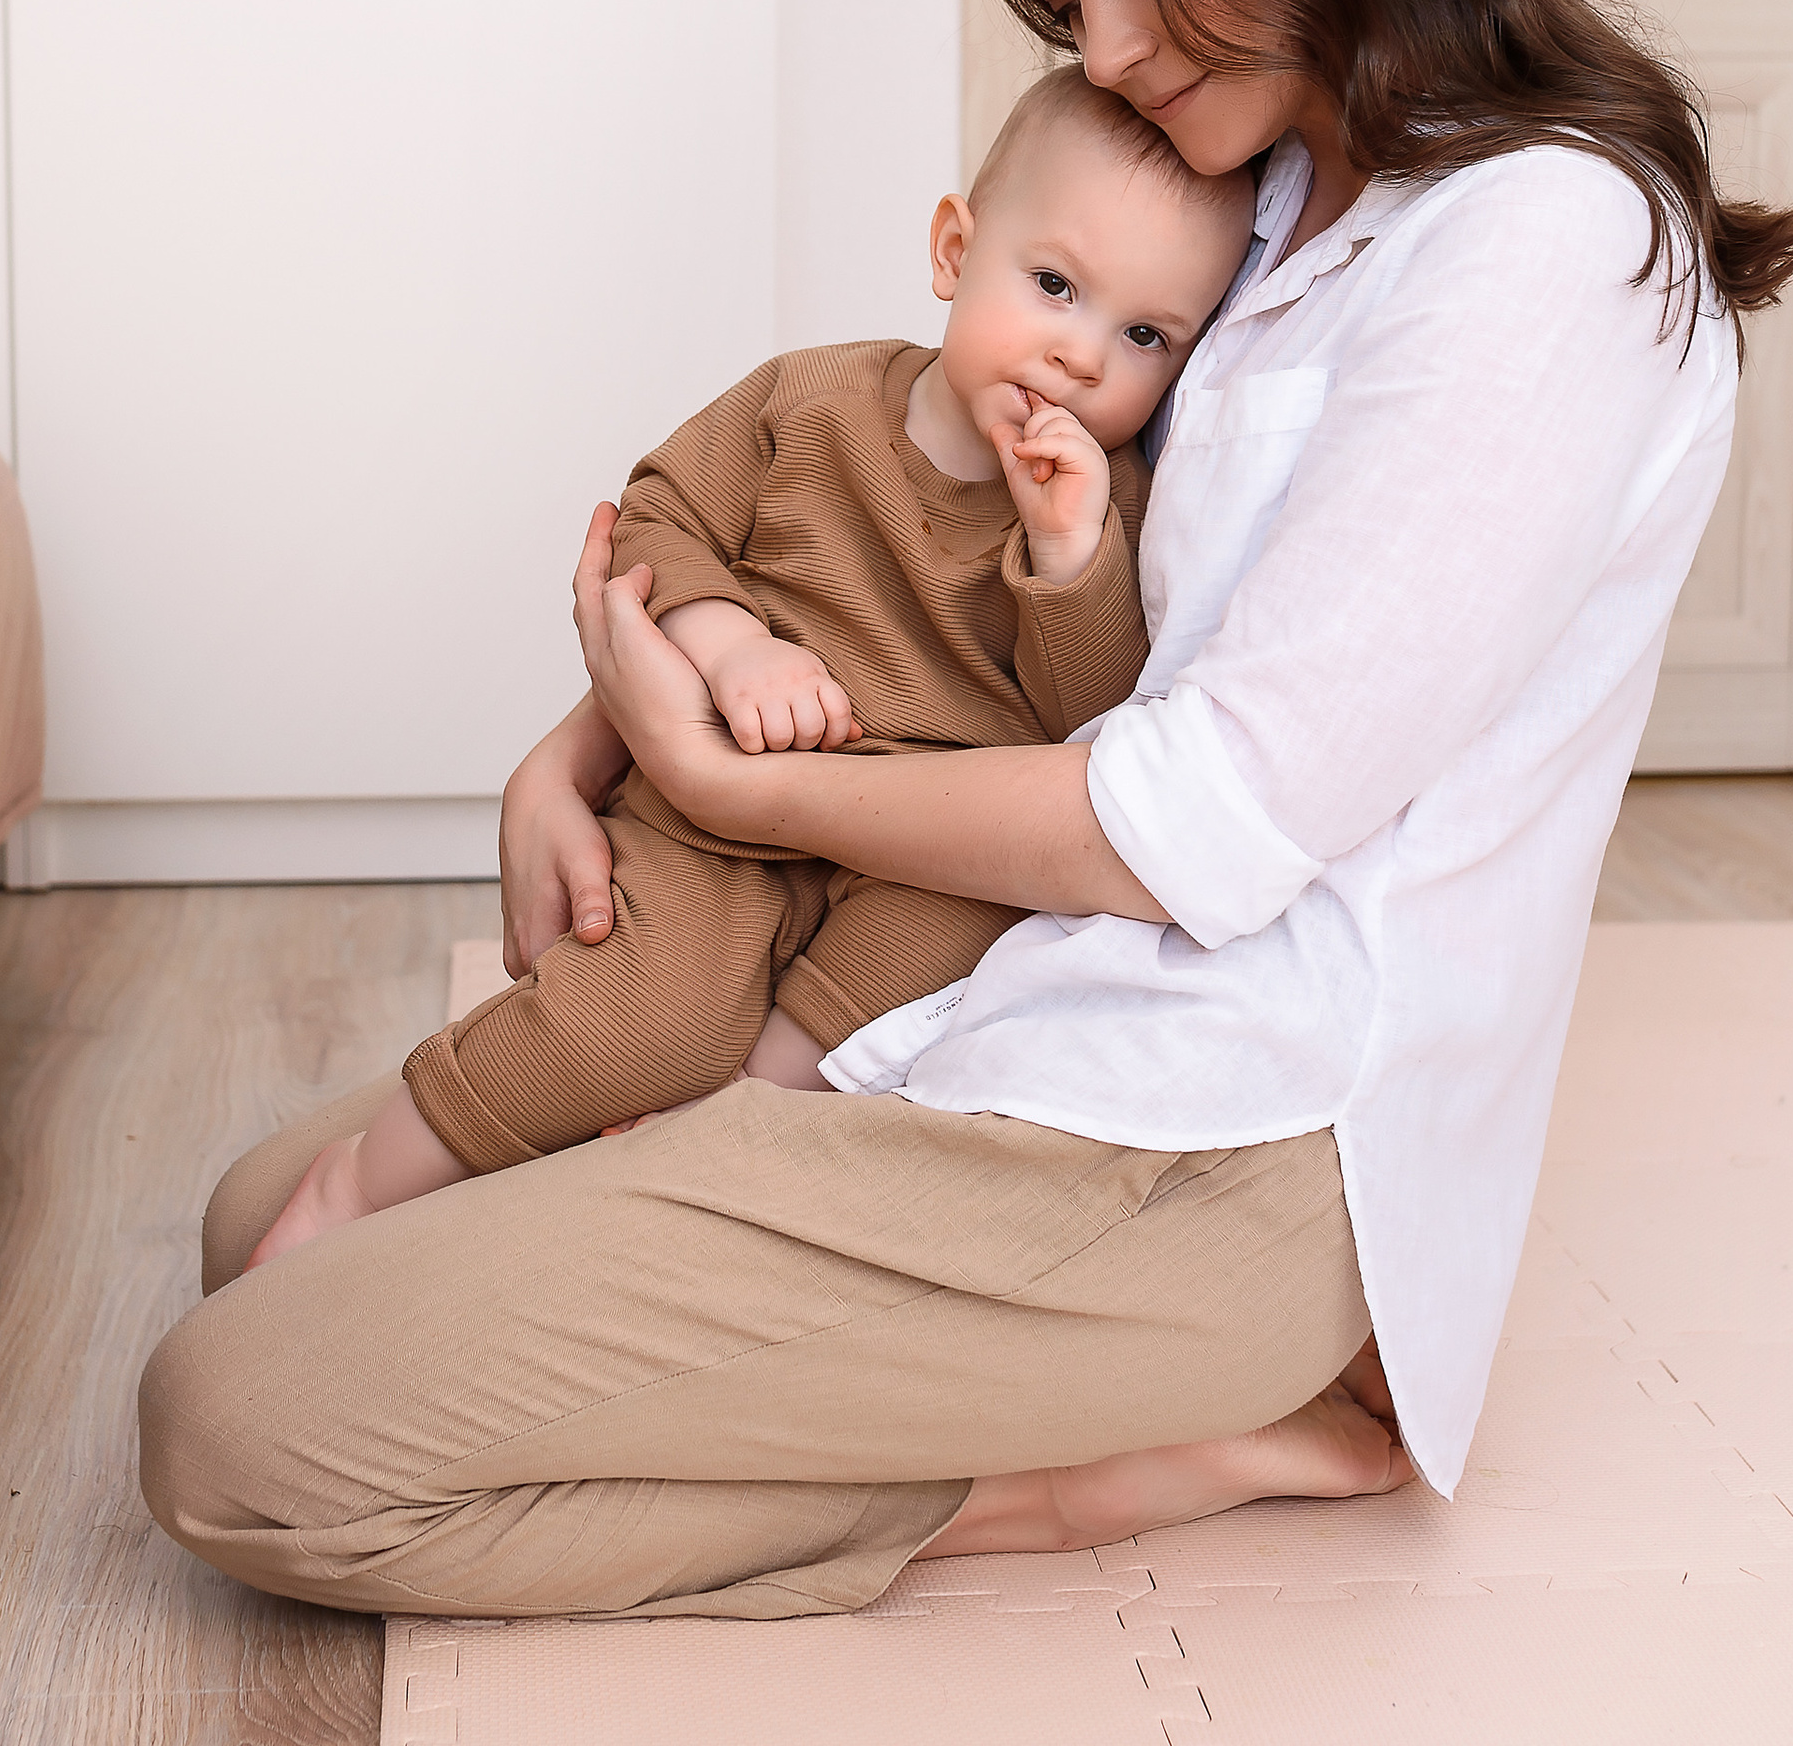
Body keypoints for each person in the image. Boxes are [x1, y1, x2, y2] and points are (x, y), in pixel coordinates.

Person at [138, 0, 1793, 1620]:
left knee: (237, 1425)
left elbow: (1185, 821)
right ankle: (907, 1373)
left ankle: (1080, 1470)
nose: (1103, 50)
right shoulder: (1264, 199)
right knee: (260, 1223)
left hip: (1212, 1134)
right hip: (986, 995)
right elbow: (912, 541)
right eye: (1059, 4)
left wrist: (740, 797)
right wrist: (585, 739)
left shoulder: (1540, 244)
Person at [240, 68, 1251, 1267]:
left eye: (1144, 335)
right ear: (952, 250)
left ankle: (720, 1129)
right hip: (722, 811)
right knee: (647, 1016)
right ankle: (355, 1188)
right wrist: (732, 646)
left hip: (920, 848)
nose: (1081, 356)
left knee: (947, 959)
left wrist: (1069, 551)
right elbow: (656, 523)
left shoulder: (1105, 511)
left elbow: (1087, 722)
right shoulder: (809, 403)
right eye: (1053, 287)